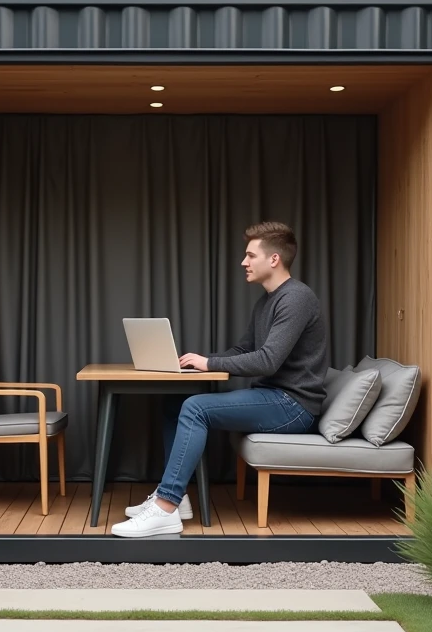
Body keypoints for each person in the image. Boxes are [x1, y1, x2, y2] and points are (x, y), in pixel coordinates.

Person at [111, 221, 328, 538]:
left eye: (250, 255)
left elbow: (268, 359)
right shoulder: (267, 301)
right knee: (176, 403)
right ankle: (178, 498)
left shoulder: (296, 298)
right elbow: (243, 349)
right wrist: (195, 362)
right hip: (275, 398)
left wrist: (209, 362)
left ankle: (166, 508)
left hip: (293, 406)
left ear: (274, 259)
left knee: (196, 408)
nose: (244, 262)